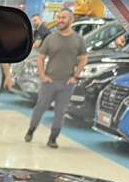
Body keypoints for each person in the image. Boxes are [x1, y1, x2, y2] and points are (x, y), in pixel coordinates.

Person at [24, 9, 87, 149]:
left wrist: (75, 76)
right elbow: (40, 57)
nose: (60, 20)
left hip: (67, 84)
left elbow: (83, 58)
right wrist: (42, 75)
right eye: (58, 17)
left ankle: (53, 138)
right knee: (40, 107)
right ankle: (31, 130)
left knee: (60, 112)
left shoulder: (78, 40)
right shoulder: (51, 38)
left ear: (71, 20)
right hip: (49, 82)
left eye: (63, 18)